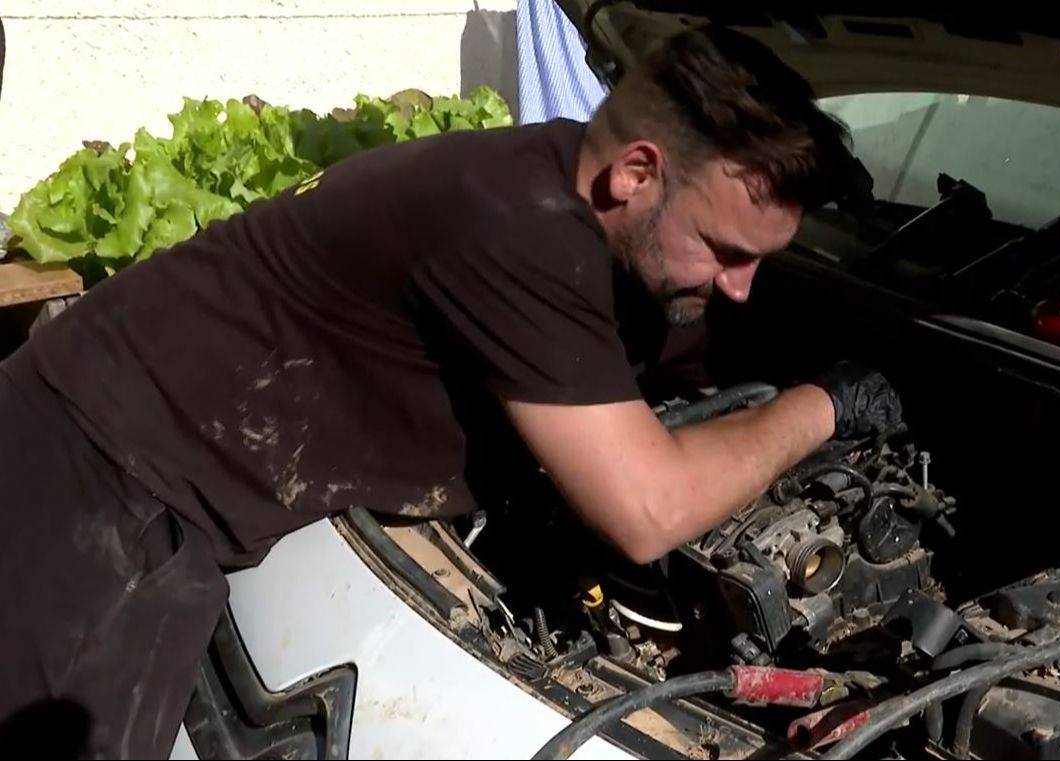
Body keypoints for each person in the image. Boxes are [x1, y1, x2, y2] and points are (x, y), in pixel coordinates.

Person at [0, 24, 903, 759]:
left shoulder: (595, 209)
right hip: (86, 480)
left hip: (162, 491)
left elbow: (683, 370)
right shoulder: (519, 225)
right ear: (635, 173)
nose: (742, 285)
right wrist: (824, 402)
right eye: (727, 250)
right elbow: (648, 506)